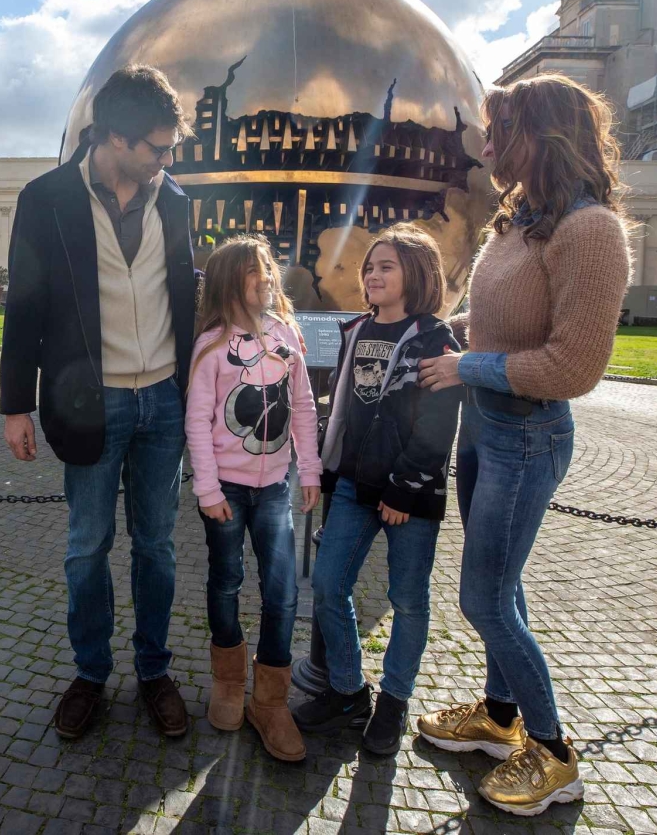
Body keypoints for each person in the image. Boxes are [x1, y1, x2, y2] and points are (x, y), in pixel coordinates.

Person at [416, 73, 631, 816]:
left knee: (483, 597)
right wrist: (455, 330)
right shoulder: (523, 219)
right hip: (484, 427)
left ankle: (553, 752)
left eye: (502, 131)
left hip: (527, 436)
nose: (490, 147)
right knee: (503, 589)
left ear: (544, 134)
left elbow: (574, 366)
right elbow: (502, 314)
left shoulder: (590, 232)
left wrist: (465, 364)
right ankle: (499, 717)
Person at [0, 66, 197, 740]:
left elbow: (186, 297)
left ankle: (153, 670)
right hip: (92, 403)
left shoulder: (174, 200)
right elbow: (23, 304)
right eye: (157, 148)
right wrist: (14, 404)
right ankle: (90, 672)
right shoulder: (46, 198)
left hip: (164, 402)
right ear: (113, 138)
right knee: (87, 548)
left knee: (159, 548)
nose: (168, 161)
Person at [292, 225, 462, 757]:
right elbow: (341, 409)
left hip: (410, 496)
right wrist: (323, 467)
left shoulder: (436, 340)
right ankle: (348, 691)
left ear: (417, 273)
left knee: (407, 600)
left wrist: (403, 490)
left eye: (386, 266)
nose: (373, 274)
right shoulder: (354, 331)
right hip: (353, 486)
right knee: (327, 582)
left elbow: (437, 426)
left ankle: (394, 699)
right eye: (370, 266)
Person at [185, 234, 321, 762]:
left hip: (274, 489)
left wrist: (309, 471)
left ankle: (270, 700)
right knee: (226, 582)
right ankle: (227, 683)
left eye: (268, 267)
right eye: (253, 270)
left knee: (282, 590)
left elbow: (304, 407)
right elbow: (197, 419)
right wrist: (207, 487)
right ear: (227, 281)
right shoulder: (212, 345)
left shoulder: (288, 335)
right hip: (226, 491)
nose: (266, 277)